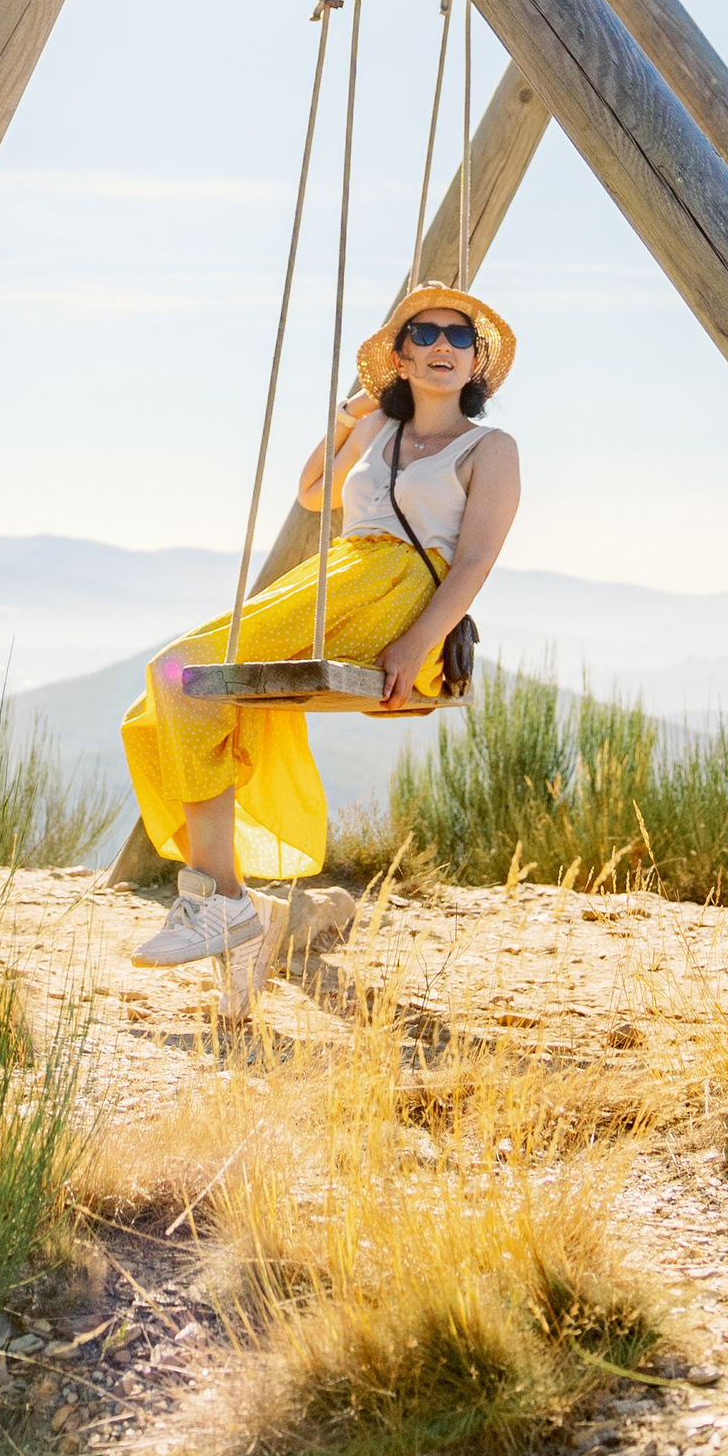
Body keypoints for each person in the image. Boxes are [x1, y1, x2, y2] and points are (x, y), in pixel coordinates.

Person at [120, 284, 521, 966]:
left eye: (459, 337)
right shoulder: (378, 432)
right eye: (423, 335)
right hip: (337, 580)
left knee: (186, 671)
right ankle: (230, 903)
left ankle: (219, 904)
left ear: (477, 359)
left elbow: (476, 559)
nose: (442, 347)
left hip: (402, 596)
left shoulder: (490, 448)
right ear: (399, 355)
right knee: (165, 692)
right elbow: (312, 491)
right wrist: (352, 410)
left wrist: (417, 640)